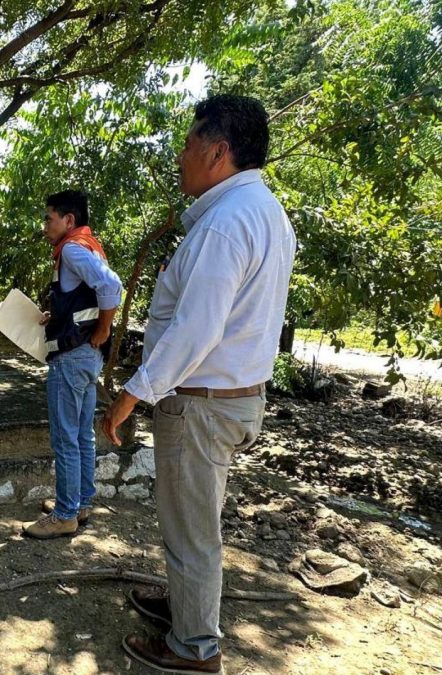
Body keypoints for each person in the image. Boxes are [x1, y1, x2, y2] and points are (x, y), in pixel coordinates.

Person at [102, 95, 296, 674]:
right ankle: (186, 609)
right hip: (232, 399)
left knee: (192, 530)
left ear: (218, 152)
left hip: (201, 402)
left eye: (188, 146)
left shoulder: (226, 223)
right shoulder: (266, 213)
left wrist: (133, 392)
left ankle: (194, 648)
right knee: (194, 517)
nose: (180, 158)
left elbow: (196, 330)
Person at [22, 190, 123, 539]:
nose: (45, 224)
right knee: (81, 435)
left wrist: (105, 328)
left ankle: (65, 515)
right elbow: (87, 301)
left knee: (65, 437)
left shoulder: (71, 249)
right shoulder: (88, 246)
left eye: (49, 217)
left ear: (69, 220)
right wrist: (60, 316)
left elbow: (111, 285)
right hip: (87, 356)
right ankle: (80, 504)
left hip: (72, 356)